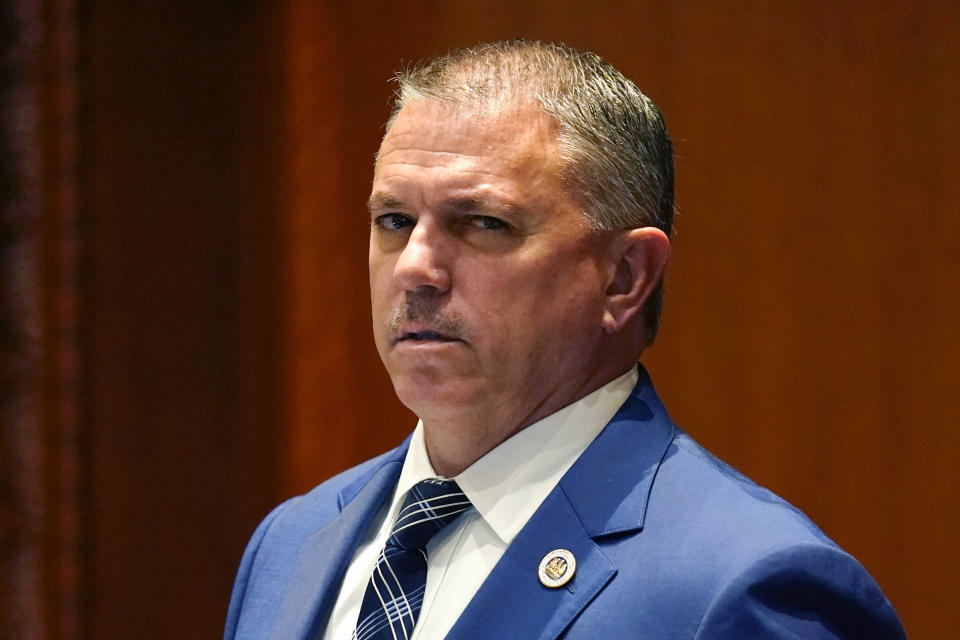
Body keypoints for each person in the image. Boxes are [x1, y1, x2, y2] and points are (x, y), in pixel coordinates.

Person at [224, 40, 905, 640]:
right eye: (395, 220)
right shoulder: (292, 543)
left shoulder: (747, 587)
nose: (415, 269)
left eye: (483, 223)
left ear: (623, 277)